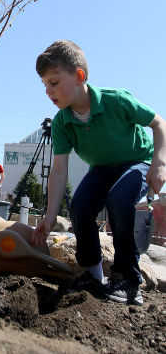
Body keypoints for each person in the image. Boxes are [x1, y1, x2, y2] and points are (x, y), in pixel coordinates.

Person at [31, 40, 166, 305]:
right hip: (102, 169)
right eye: (45, 84)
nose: (48, 90)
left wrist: (159, 163)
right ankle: (92, 275)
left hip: (136, 161)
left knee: (119, 199)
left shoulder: (117, 101)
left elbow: (159, 124)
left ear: (79, 75)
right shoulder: (62, 122)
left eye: (54, 82)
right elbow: (58, 170)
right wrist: (48, 217)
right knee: (80, 206)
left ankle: (128, 281)